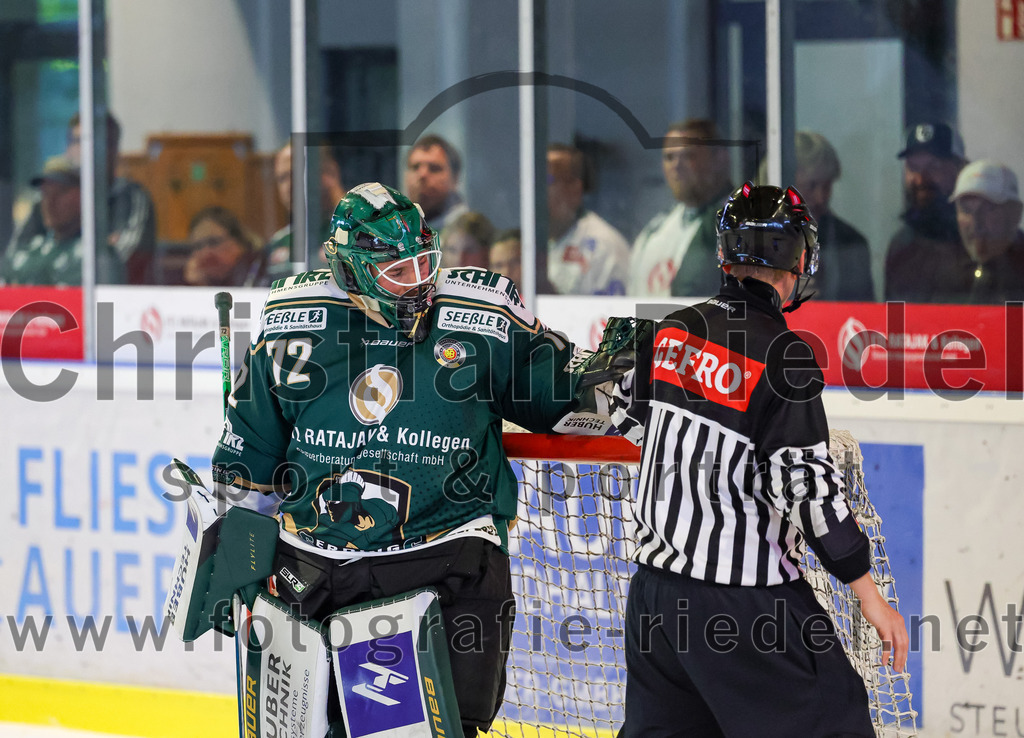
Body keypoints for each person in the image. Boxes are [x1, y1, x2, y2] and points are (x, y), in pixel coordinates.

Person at [210, 182, 583, 736]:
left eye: (424, 262)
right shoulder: (292, 320)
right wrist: (237, 565)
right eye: (397, 272)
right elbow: (245, 471)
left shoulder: (482, 313)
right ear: (355, 271)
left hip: (445, 566)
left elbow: (565, 396)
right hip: (314, 572)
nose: (420, 285)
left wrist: (627, 377)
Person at [604, 183, 908, 736]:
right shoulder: (784, 353)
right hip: (743, 606)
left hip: (654, 600)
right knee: (835, 718)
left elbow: (622, 416)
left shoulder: (672, 328)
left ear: (724, 255)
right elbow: (805, 487)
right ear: (798, 264)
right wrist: (868, 593)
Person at [6, 111, 156, 284]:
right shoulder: (47, 197)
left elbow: (115, 265)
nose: (88, 150)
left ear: (114, 149)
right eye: (79, 141)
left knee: (103, 309)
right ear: (68, 148)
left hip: (115, 304)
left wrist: (50, 259)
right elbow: (14, 262)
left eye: (98, 142)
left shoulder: (131, 196)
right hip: (55, 303)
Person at [628, 118, 733, 297]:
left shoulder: (740, 226)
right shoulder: (654, 232)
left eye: (688, 155)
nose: (676, 165)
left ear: (719, 159)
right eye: (670, 157)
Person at [0, 155, 123, 285]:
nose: (50, 202)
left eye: (61, 192)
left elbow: (107, 304)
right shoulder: (27, 254)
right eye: (45, 193)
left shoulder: (99, 256)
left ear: (83, 196)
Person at [884, 121, 971, 302]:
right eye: (913, 167)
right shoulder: (901, 246)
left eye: (934, 166)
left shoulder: (984, 242)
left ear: (961, 168)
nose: (921, 179)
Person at [793, 130, 875, 301]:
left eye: (827, 186)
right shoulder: (754, 242)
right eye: (811, 185)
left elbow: (864, 319)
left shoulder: (852, 245)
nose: (820, 197)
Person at [546, 143, 630, 295]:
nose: (536, 188)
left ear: (575, 189)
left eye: (547, 180)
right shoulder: (529, 244)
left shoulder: (604, 246)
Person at [261, 141, 347, 283]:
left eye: (296, 174)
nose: (288, 187)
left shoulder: (359, 232)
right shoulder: (281, 242)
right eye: (282, 178)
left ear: (329, 172)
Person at [949, 159, 1024, 303]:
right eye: (966, 209)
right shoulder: (943, 269)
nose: (976, 222)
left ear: (1015, 213)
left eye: (989, 208)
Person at [182, 206, 263, 286]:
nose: (205, 252)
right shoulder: (198, 280)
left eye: (213, 242)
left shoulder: (260, 270)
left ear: (239, 241)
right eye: (198, 246)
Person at [403, 134, 469, 232]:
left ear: (455, 178)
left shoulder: (469, 235)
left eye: (434, 168)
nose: (422, 175)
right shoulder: (393, 230)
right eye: (415, 167)